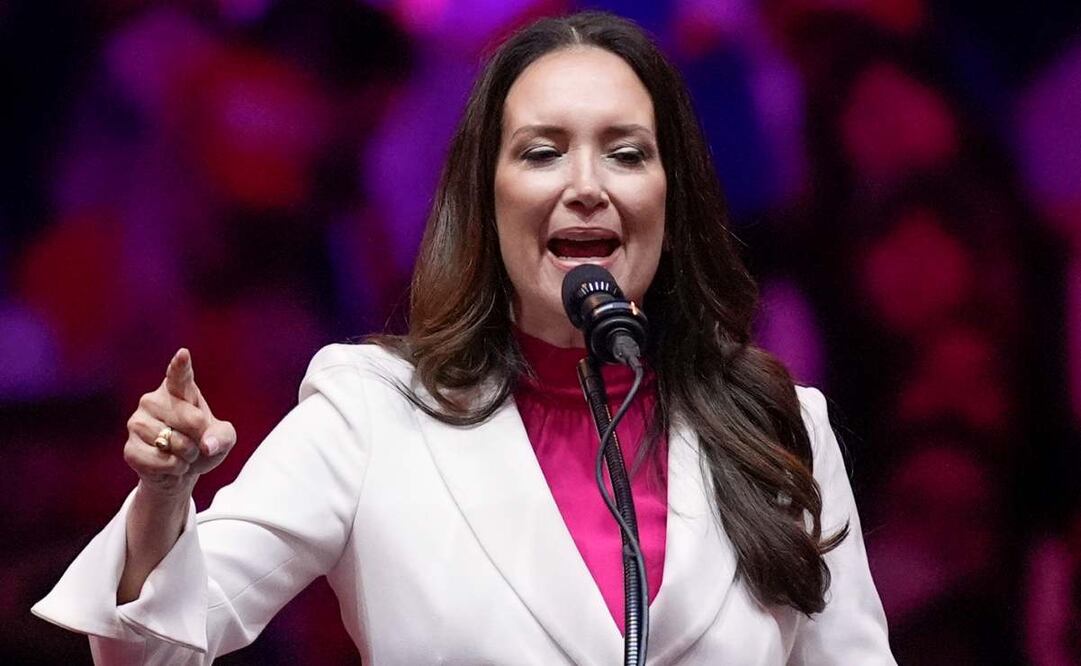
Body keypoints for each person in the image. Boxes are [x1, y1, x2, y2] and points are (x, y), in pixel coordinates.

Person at [33, 11, 895, 664]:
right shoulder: (372, 413)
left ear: (673, 198)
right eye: (542, 152)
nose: (586, 185)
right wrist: (164, 496)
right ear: (483, 200)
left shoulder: (777, 426)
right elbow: (152, 647)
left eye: (626, 153)